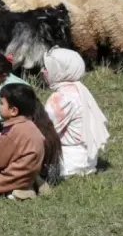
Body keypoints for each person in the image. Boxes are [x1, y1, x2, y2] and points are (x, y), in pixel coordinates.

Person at [0, 84, 62, 199]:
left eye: (1, 103)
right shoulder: (31, 127)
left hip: (13, 178)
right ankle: (29, 187)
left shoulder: (14, 132)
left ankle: (10, 191)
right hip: (28, 175)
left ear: (13, 111)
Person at [43, 48, 109, 177]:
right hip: (88, 162)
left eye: (46, 67)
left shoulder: (61, 97)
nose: (42, 71)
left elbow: (43, 130)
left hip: (67, 163)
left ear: (59, 70)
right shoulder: (81, 90)